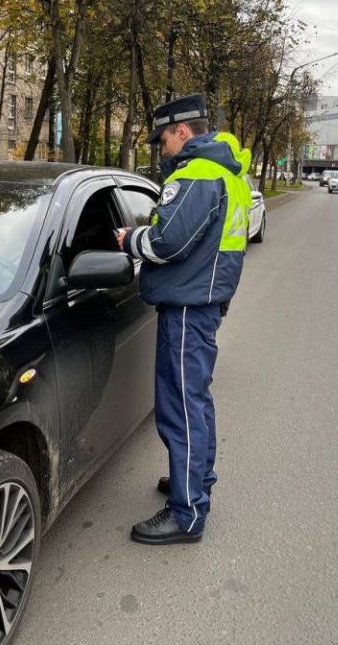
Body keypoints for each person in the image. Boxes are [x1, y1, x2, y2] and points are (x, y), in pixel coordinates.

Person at [116, 93, 251, 545]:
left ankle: (187, 512)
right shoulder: (227, 172)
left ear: (183, 131)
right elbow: (228, 246)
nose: (162, 148)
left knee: (180, 408)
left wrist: (129, 238)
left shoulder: (197, 175)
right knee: (195, 401)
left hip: (188, 308)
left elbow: (166, 243)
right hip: (204, 301)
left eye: (164, 139)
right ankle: (196, 480)